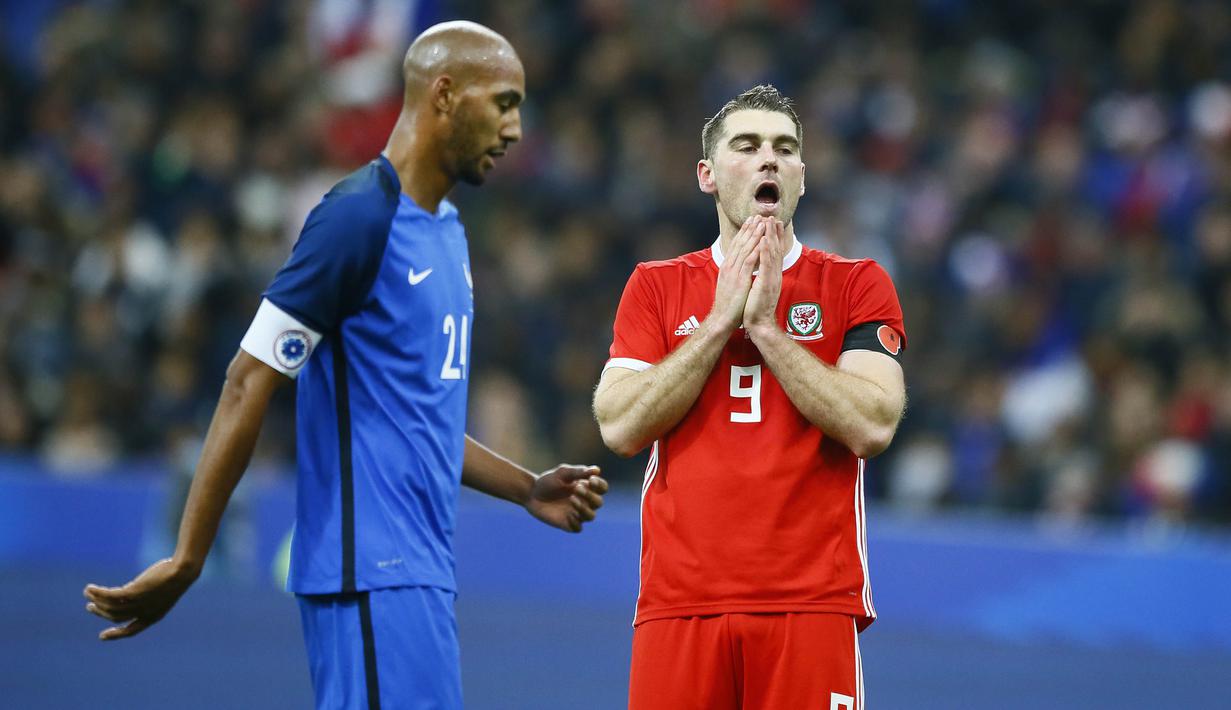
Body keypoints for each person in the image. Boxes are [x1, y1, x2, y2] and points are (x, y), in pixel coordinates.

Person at [85, 21, 608, 710]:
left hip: (418, 573)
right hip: (369, 573)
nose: (515, 129)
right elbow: (248, 380)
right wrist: (189, 558)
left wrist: (524, 487)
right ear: (445, 95)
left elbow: (414, 417)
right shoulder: (358, 218)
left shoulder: (447, 232)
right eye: (504, 102)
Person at [593, 85, 907, 710]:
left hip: (809, 603)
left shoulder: (855, 283)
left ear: (800, 177)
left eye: (784, 149)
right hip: (678, 606)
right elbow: (619, 425)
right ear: (708, 175)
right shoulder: (656, 287)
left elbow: (873, 423)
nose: (769, 159)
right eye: (748, 145)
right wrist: (717, 324)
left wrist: (766, 329)